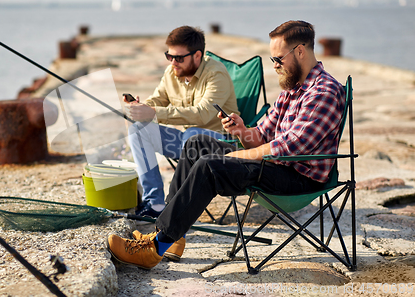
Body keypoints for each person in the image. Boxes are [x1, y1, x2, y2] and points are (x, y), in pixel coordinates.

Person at [108, 20, 346, 269]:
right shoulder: (292, 89)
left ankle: (155, 247)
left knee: (210, 166)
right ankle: (171, 235)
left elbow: (290, 148)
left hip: (296, 176)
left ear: (299, 51)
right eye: (272, 59)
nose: (275, 66)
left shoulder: (323, 93)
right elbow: (263, 134)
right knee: (197, 144)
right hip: (275, 164)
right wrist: (241, 130)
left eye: (278, 59)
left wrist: (240, 156)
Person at [125, 25, 239, 218]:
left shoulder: (215, 75)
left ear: (197, 55)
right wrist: (141, 107)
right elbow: (158, 100)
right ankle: (155, 204)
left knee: (193, 136)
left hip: (222, 145)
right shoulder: (172, 72)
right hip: (188, 142)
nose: (173, 62)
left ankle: (177, 207)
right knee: (138, 131)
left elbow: (202, 114)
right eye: (169, 56)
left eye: (179, 58)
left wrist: (152, 112)